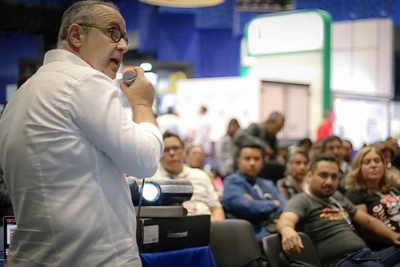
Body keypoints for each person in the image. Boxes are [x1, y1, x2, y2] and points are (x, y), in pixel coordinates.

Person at [0, 1, 163, 266]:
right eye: (113, 32)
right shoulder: (85, 81)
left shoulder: (19, 99)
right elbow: (144, 160)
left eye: (123, 36)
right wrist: (142, 104)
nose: (123, 45)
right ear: (76, 35)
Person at [277, 154, 400, 267]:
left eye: (334, 176)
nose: (329, 181)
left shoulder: (336, 197)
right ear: (309, 176)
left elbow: (368, 221)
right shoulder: (302, 200)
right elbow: (286, 219)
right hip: (342, 261)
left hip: (366, 256)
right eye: (323, 175)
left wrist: (394, 236)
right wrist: (287, 231)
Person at [151, 132, 225, 220]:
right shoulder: (150, 179)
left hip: (204, 227)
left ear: (183, 151)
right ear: (159, 154)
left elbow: (216, 208)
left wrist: (217, 230)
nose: (171, 153)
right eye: (166, 150)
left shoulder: (201, 176)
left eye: (175, 148)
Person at [222, 143, 286, 242]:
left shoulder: (267, 183)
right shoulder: (231, 183)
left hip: (272, 233)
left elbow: (284, 206)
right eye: (247, 159)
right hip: (247, 238)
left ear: (262, 162)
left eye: (256, 159)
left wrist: (257, 203)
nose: (252, 163)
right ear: (238, 161)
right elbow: (248, 208)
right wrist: (273, 204)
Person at [346, 146, 400, 248]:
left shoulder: (393, 187)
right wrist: (393, 237)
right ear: (358, 168)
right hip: (386, 245)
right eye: (367, 162)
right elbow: (366, 228)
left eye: (377, 161)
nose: (374, 165)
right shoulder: (355, 193)